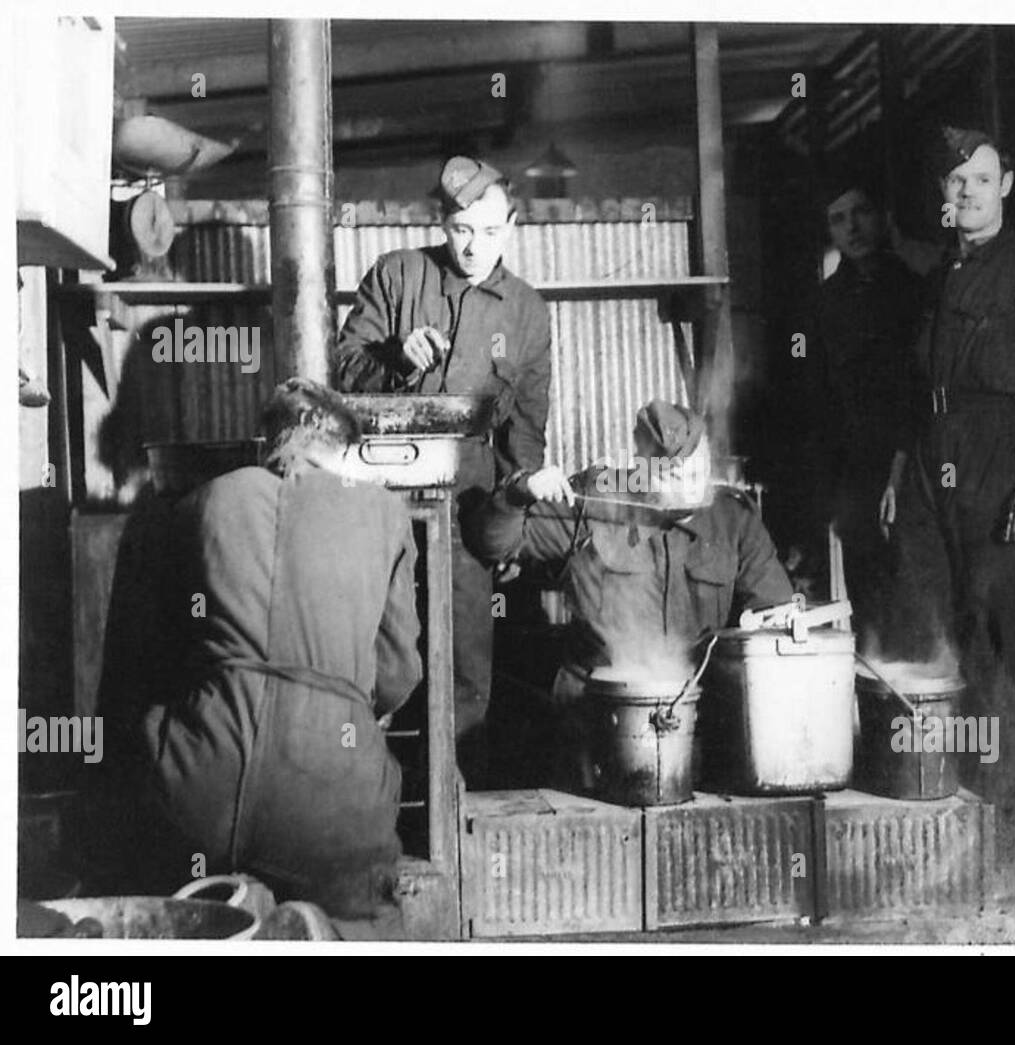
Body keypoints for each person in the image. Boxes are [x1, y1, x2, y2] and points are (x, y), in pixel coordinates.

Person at [101, 379, 422, 918]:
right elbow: (397, 675)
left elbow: (151, 665)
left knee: (179, 919)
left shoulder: (198, 503)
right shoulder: (385, 512)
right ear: (342, 449)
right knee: (352, 927)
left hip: (197, 797)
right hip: (329, 810)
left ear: (266, 441)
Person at [879, 127, 1015, 817]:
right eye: (956, 181)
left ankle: (1014, 813)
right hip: (934, 462)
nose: (968, 192)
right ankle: (949, 804)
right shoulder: (938, 275)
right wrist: (902, 468)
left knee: (1004, 632)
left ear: (1006, 188)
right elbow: (914, 382)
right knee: (932, 619)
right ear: (942, 192)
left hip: (1003, 461)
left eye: (982, 180)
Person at [334, 155, 563, 738]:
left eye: (489, 232)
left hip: (469, 503)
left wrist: (509, 530)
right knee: (376, 651)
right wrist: (394, 356)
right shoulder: (395, 275)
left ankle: (457, 794)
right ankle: (369, 784)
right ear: (442, 224)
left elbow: (526, 431)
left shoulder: (528, 313)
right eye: (461, 230)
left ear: (511, 226)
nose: (473, 247)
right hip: (380, 497)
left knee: (464, 669)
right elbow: (340, 370)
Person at [464, 400, 794, 788]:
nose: (690, 485)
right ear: (643, 469)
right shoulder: (598, 500)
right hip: (595, 716)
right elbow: (491, 545)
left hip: (697, 717)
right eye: (672, 474)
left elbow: (774, 614)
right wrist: (518, 494)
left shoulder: (734, 521)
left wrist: (771, 625)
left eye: (698, 471)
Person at [814, 180, 924, 643]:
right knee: (866, 593)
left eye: (860, 212)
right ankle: (879, 694)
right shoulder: (826, 300)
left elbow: (918, 383)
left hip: (911, 455)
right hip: (855, 465)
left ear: (881, 216)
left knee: (915, 587)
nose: (852, 227)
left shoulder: (913, 290)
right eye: (838, 219)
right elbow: (819, 395)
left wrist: (899, 470)